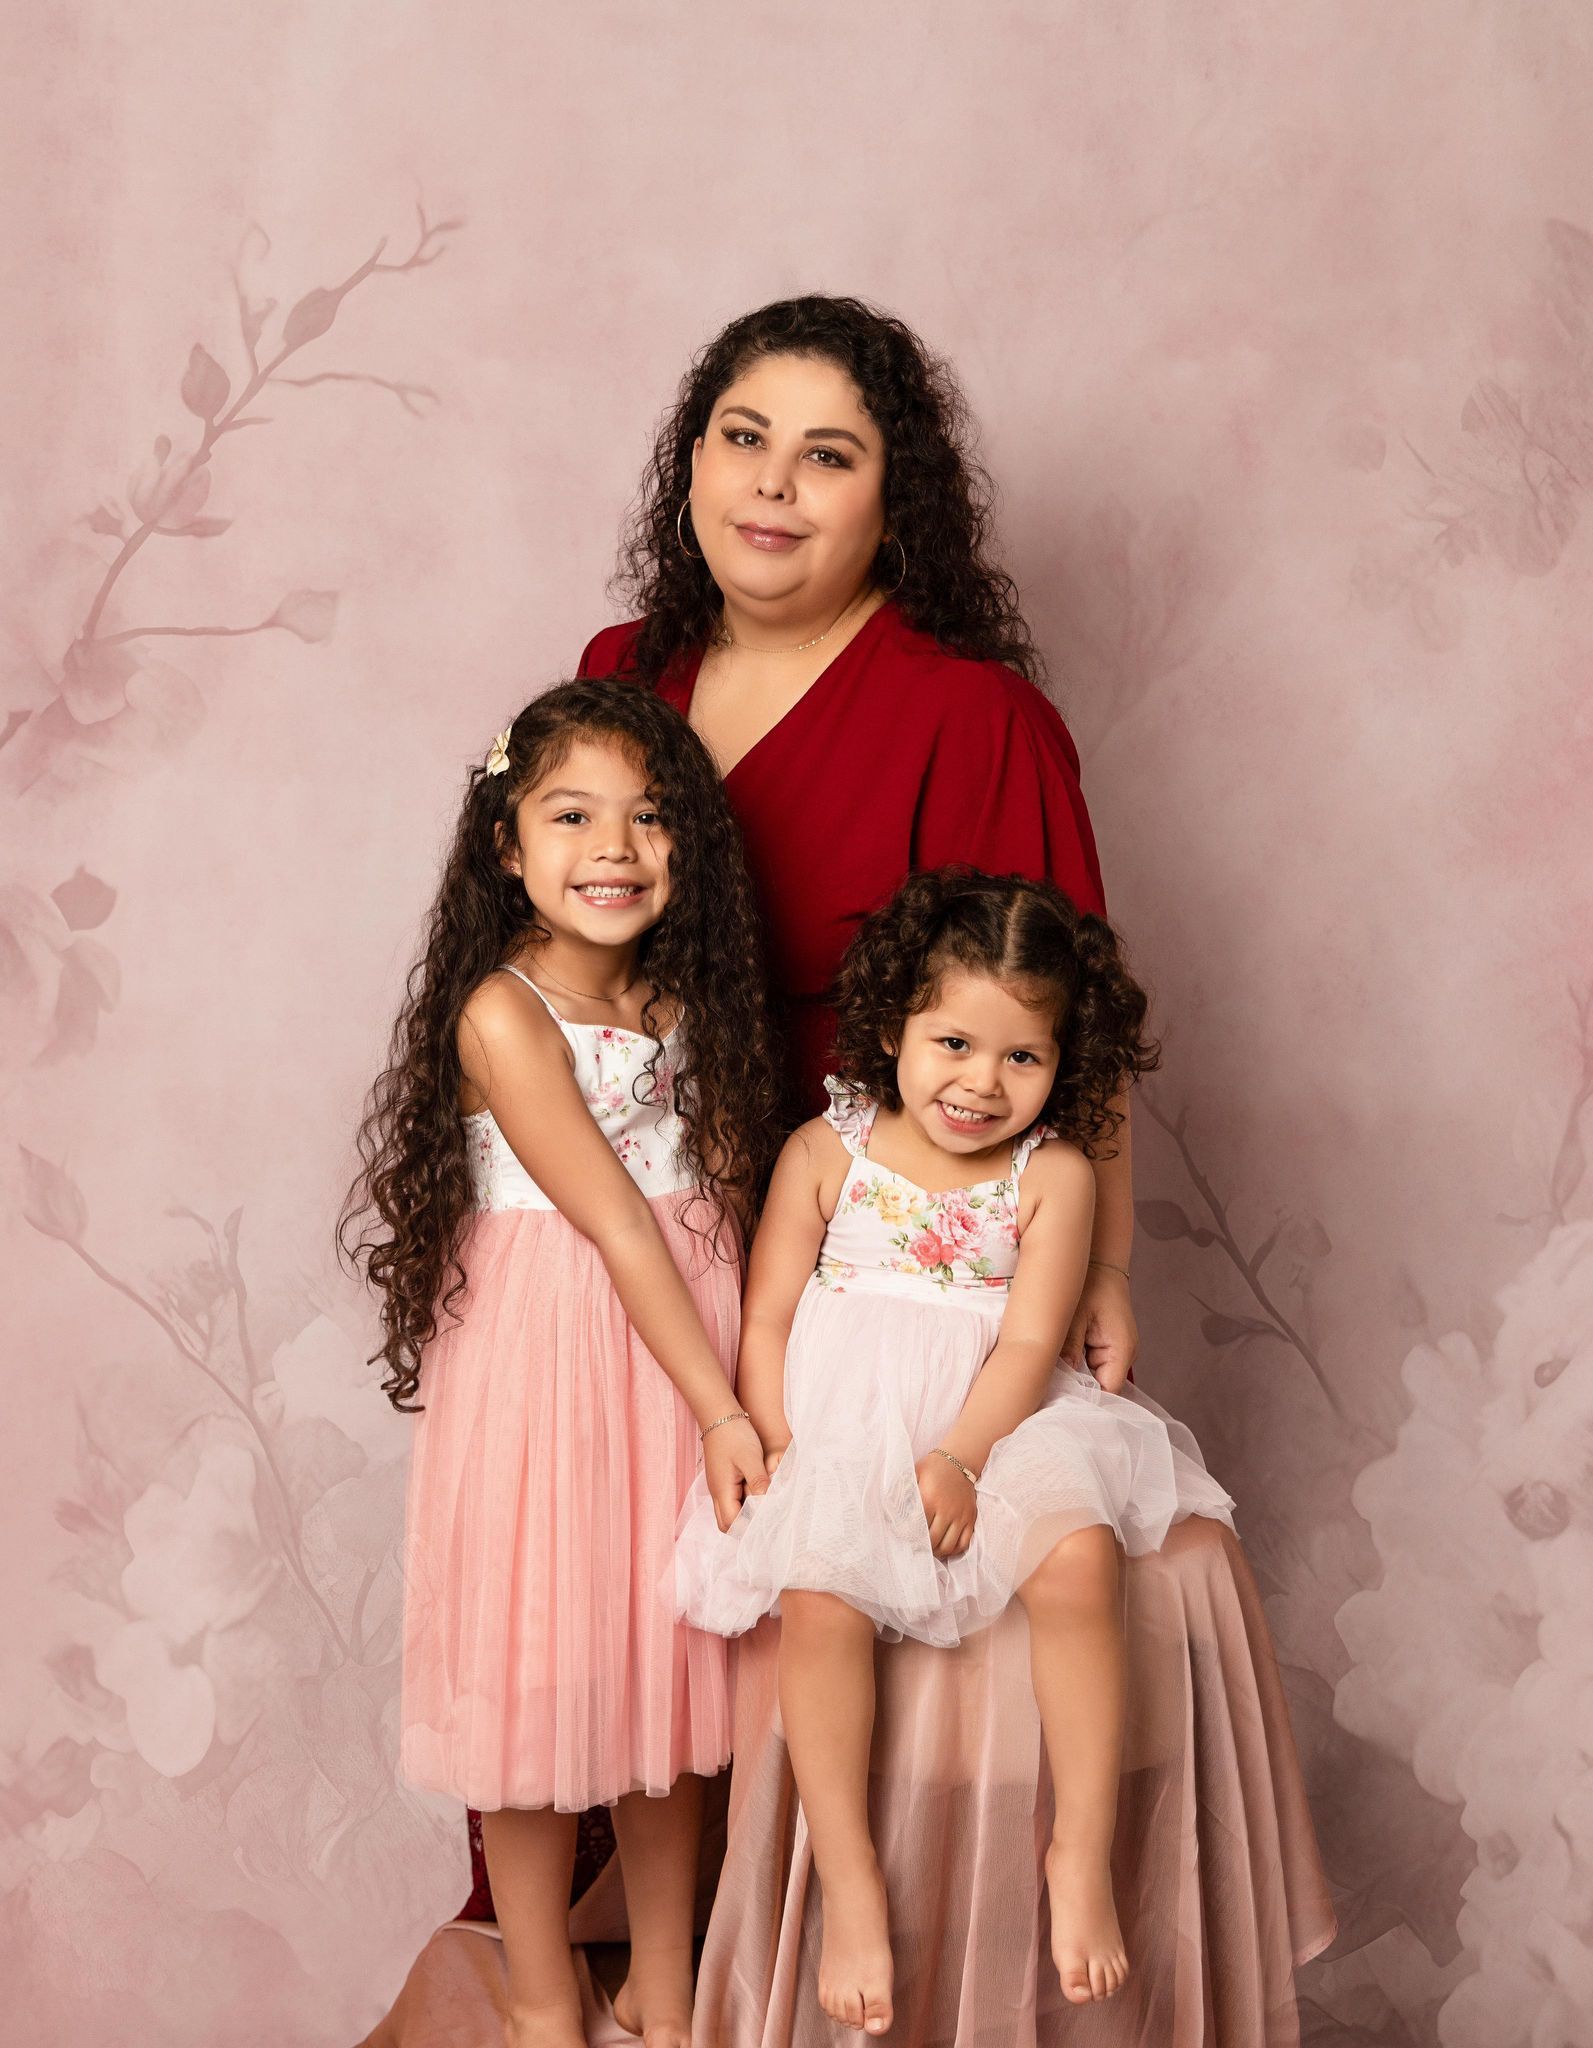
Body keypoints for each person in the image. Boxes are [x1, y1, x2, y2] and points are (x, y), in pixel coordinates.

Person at [675, 869, 1238, 2032]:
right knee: (823, 1600)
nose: (981, 1082)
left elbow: (1034, 1339)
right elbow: (768, 1310)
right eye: (953, 1042)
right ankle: (852, 1882)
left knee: (1079, 1555)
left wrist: (968, 1456)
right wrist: (784, 1443)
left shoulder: (1056, 1175)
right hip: (835, 1423)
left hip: (1002, 1417)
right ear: (894, 1029)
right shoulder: (826, 1148)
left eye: (1022, 1058)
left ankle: (1077, 1854)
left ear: (1063, 1063)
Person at [340, 680, 783, 2048]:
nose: (616, 847)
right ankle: (541, 1987)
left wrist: (751, 1381)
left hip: (687, 1331)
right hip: (557, 1351)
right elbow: (609, 1219)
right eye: (574, 815)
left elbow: (723, 1206)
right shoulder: (501, 1013)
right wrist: (719, 1404)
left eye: (649, 820)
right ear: (506, 845)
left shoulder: (680, 1001)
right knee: (541, 1673)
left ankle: (662, 1972)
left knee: (668, 1662)